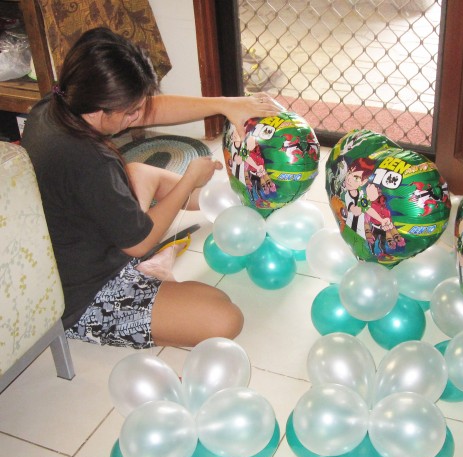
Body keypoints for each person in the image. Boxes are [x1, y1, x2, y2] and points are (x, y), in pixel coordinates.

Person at [21, 27, 281, 349]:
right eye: (131, 111)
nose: (139, 116)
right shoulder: (89, 161)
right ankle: (199, 207)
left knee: (142, 173)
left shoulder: (56, 103)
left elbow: (152, 108)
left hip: (80, 235)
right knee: (225, 317)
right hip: (87, 291)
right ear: (103, 109)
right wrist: (188, 180)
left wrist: (228, 104)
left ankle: (236, 204)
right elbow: (140, 242)